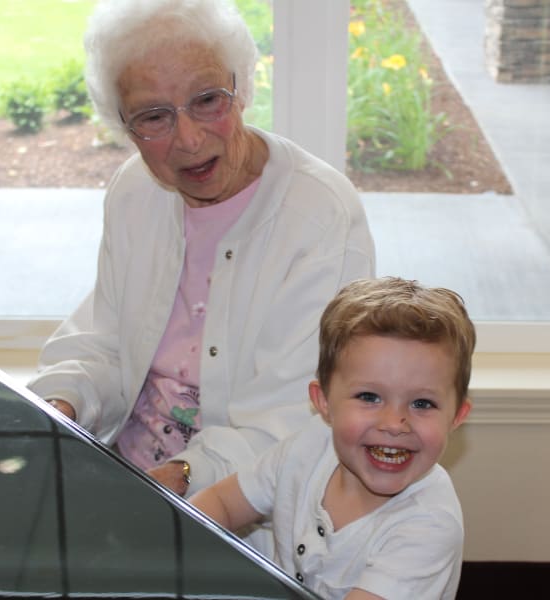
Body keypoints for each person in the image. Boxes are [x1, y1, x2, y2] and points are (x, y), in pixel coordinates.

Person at [27, 0, 375, 501]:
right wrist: (63, 403)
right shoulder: (135, 192)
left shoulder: (319, 216)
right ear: (123, 126)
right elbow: (105, 340)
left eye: (208, 99)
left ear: (243, 87)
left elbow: (293, 416)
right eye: (153, 116)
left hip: (243, 513)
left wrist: (175, 483)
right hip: (126, 477)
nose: (188, 139)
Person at [191, 277, 475, 600]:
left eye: (422, 403)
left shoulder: (429, 525)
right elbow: (222, 504)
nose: (395, 424)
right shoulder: (310, 445)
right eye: (369, 397)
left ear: (456, 416)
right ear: (323, 401)